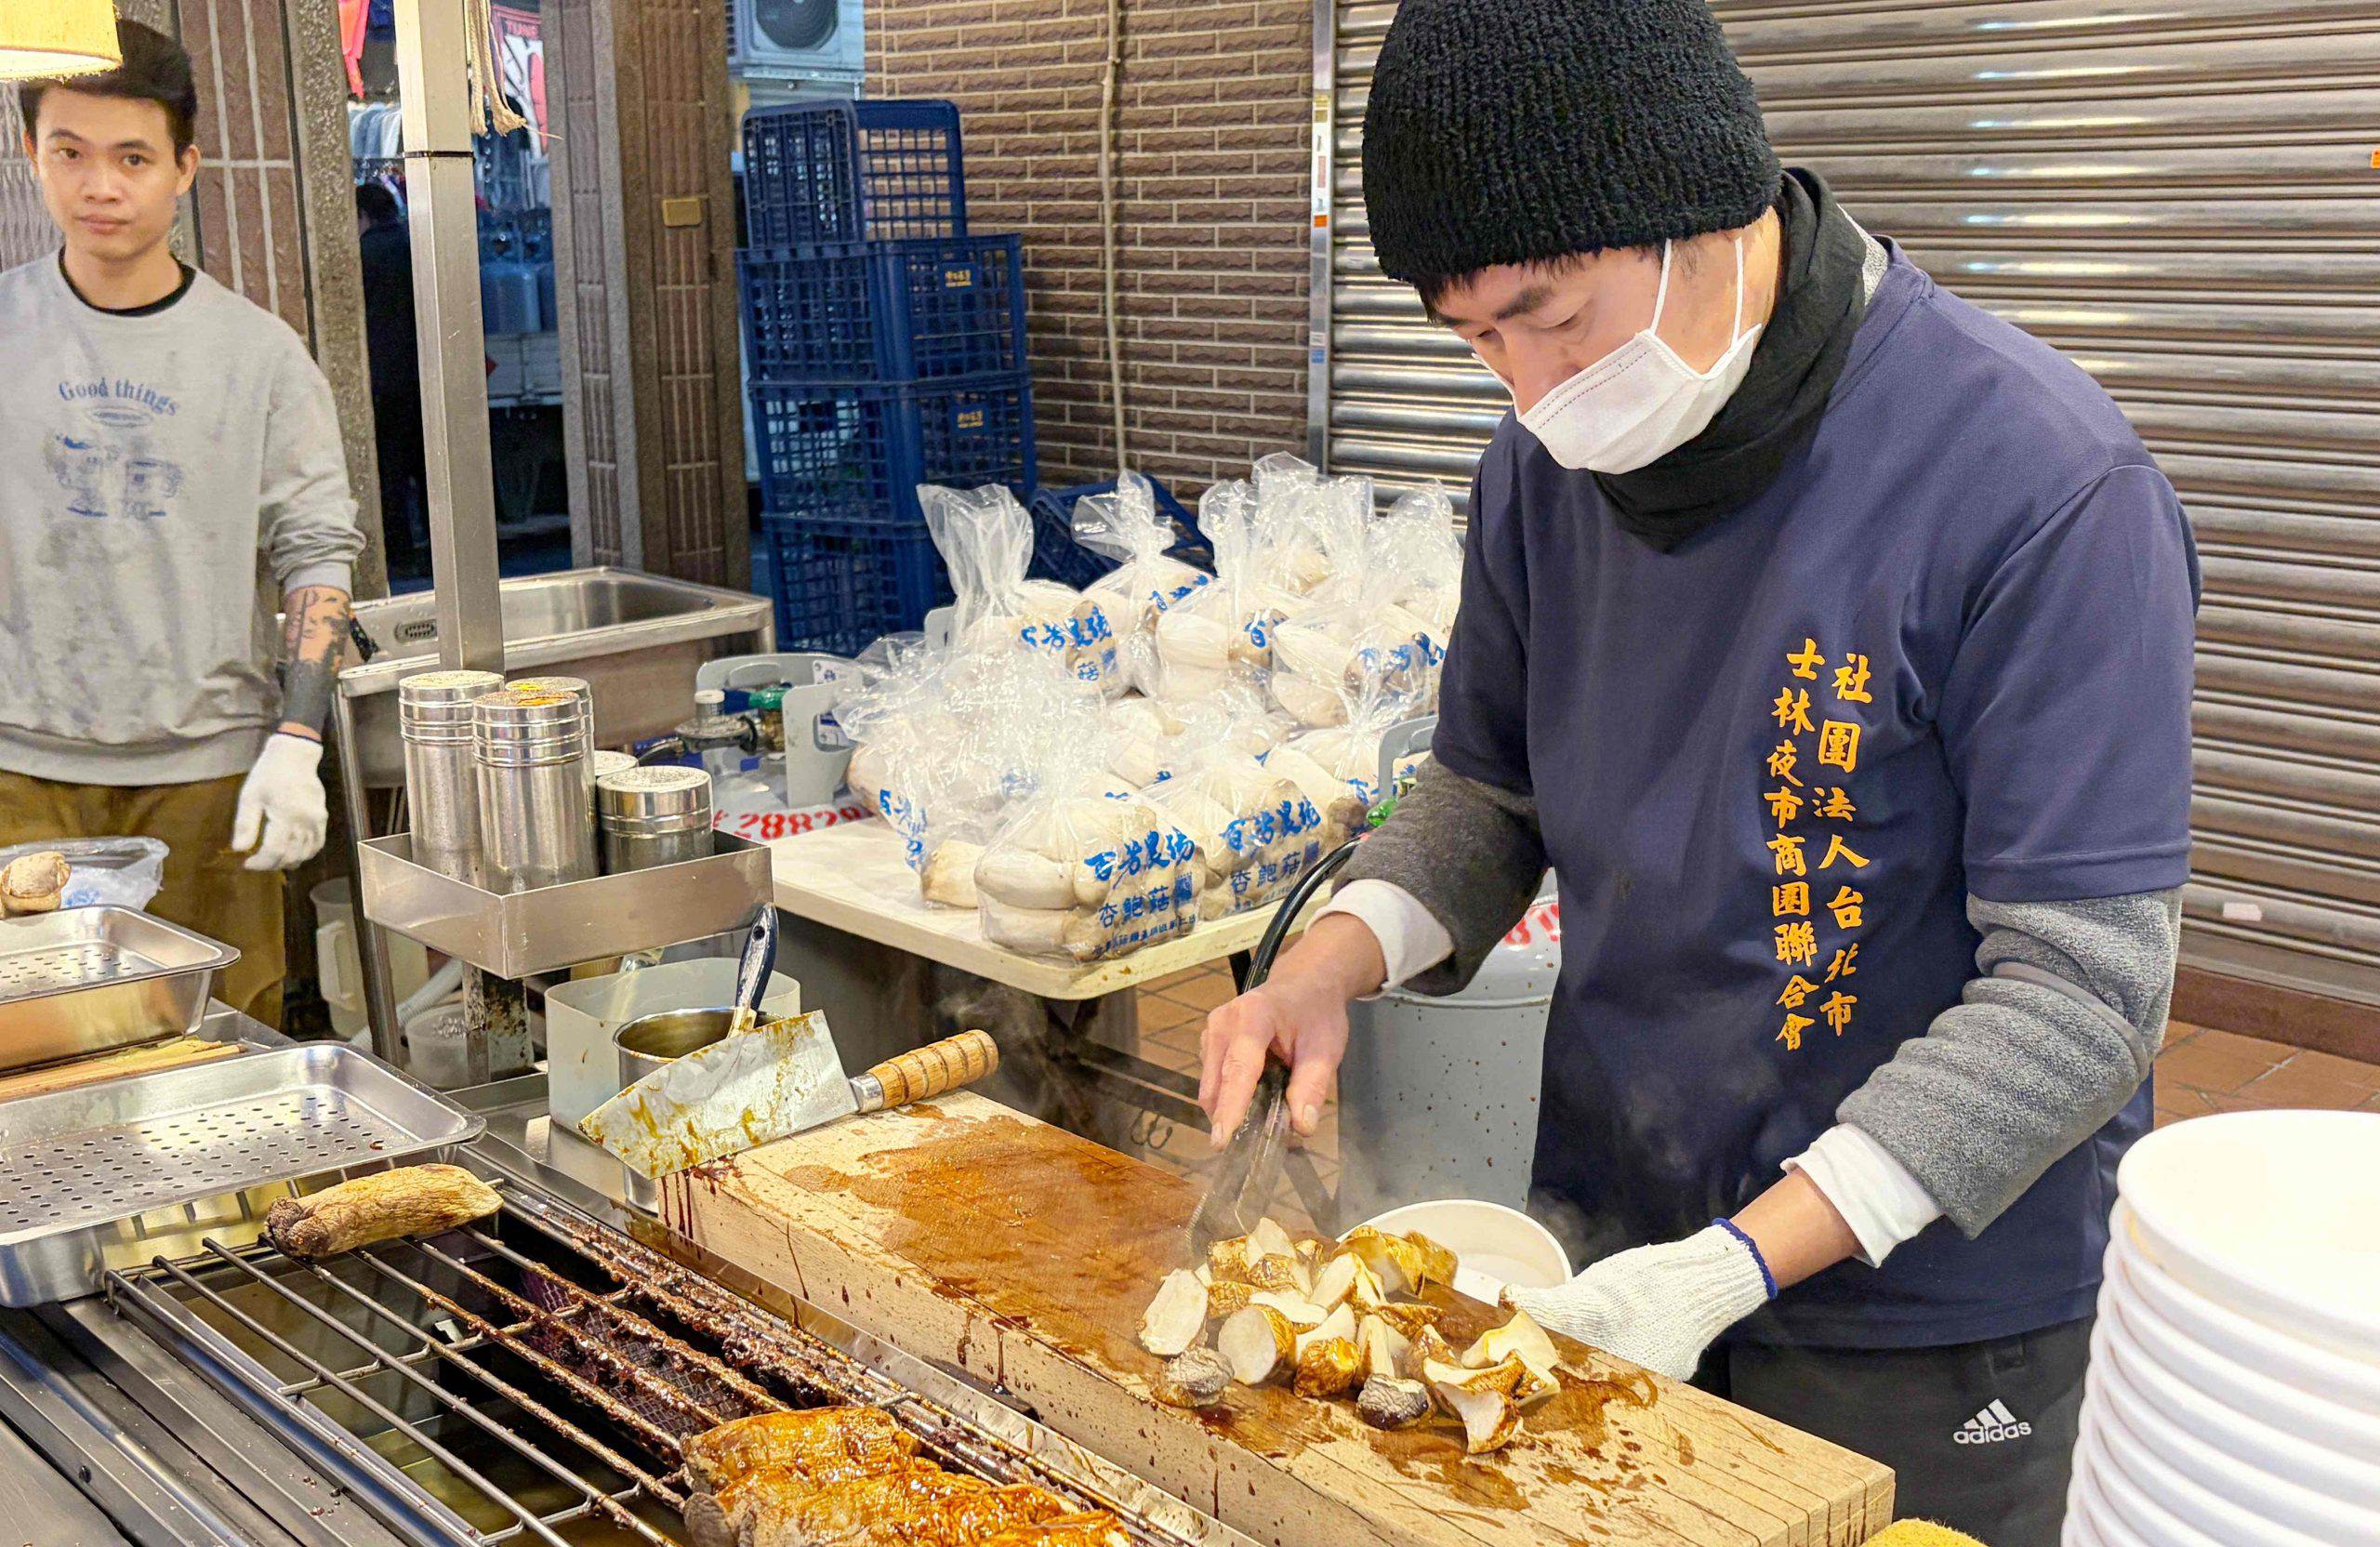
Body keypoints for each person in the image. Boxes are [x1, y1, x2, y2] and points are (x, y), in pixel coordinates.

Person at [1196, 4, 2196, 1541]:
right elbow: (1491, 789)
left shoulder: (2039, 484)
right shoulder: (1544, 463)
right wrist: (1333, 961)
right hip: (1612, 1229)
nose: (1530, 389)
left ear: (1712, 209)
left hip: (1918, 1297)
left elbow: (2085, 988)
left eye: (1557, 315)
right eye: (1475, 341)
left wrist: (1741, 1257)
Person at [1, 20, 365, 1026]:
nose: (100, 187)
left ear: (184, 168)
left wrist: (297, 739)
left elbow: (315, 550)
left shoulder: (261, 355)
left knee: (215, 1041)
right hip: (21, 775)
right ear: (33, 155)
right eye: (69, 153)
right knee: (35, 1050)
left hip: (213, 776)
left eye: (132, 158)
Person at [355, 180, 425, 576]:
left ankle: (399, 554)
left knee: (391, 474)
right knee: (429, 470)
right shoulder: (416, 246)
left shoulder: (362, 256)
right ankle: (441, 551)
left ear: (362, 214)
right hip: (425, 378)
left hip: (385, 381)